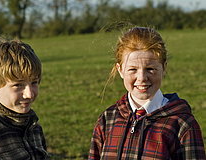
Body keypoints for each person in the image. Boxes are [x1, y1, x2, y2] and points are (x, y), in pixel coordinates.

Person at [88, 27, 206, 160]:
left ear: (164, 68)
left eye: (150, 69)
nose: (142, 77)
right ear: (120, 70)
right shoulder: (108, 119)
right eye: (133, 69)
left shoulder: (182, 124)